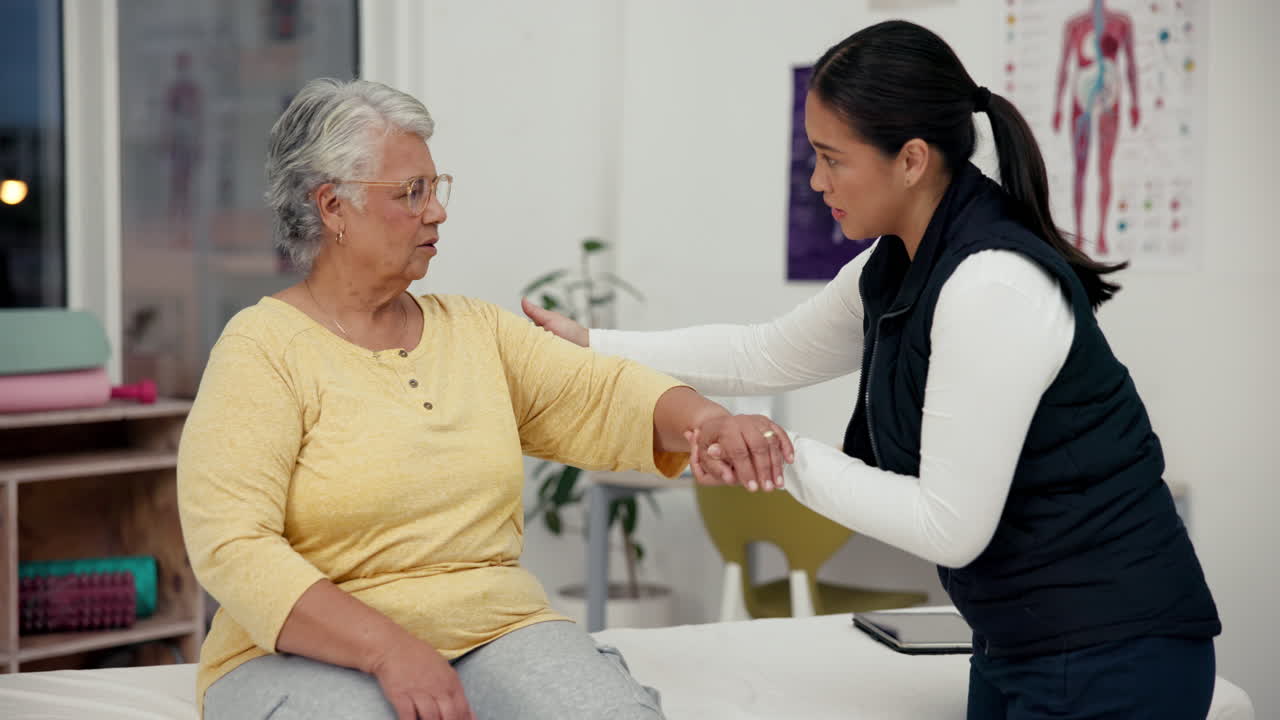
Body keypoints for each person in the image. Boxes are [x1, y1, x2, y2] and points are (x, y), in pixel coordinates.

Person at [523, 20, 1220, 720]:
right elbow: (764, 352)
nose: (817, 180)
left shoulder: (992, 286)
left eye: (832, 158)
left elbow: (949, 527)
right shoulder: (897, 263)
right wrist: (590, 344)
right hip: (1019, 639)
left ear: (911, 159)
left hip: (1116, 648)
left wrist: (777, 455)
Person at [177, 78, 792, 720]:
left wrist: (707, 421)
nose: (436, 211)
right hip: (301, 651)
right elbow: (232, 544)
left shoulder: (474, 331)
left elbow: (600, 391)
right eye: (411, 192)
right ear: (333, 206)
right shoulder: (263, 349)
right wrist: (388, 649)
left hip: (494, 628)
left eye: (436, 189)